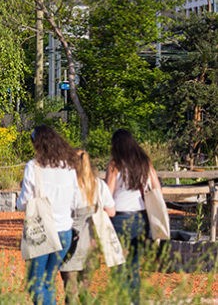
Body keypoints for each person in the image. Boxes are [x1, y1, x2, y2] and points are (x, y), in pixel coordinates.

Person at [16, 125, 81, 305]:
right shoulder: (69, 166)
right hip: (65, 231)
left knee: (34, 283)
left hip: (42, 230)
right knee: (49, 281)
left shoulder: (33, 166)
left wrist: (18, 203)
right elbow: (77, 200)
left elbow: (24, 202)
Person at [105, 129, 162, 305]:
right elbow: (157, 189)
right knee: (134, 265)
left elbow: (108, 193)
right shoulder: (145, 163)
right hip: (141, 217)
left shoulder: (115, 165)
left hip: (120, 218)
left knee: (118, 265)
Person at [60, 148, 116, 304]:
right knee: (85, 287)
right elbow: (111, 211)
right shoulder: (98, 185)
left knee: (70, 291)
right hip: (91, 242)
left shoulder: (66, 186)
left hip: (70, 241)